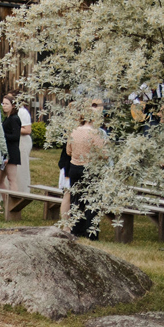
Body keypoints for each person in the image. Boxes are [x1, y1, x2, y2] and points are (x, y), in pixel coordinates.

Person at [62, 102, 106, 238]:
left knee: (77, 199)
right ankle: (91, 233)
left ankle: (77, 229)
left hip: (74, 167)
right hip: (90, 168)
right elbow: (104, 153)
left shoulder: (74, 131)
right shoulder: (95, 133)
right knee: (91, 200)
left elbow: (68, 151)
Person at [0, 94, 22, 191]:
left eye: (7, 104)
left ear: (13, 106)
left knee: (11, 179)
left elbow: (16, 136)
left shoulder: (14, 118)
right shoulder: (7, 118)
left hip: (12, 151)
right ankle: (6, 200)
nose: (4, 106)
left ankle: (13, 204)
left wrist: (2, 135)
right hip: (5, 151)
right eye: (3, 103)